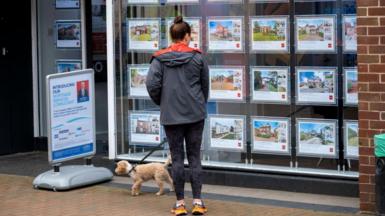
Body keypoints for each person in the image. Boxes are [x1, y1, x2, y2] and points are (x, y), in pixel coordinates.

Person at [146, 16, 209, 216]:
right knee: (195, 157)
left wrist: (163, 102)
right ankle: (198, 202)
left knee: (178, 158)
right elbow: (204, 85)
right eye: (190, 35)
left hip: (171, 116)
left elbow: (151, 85)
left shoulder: (159, 58)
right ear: (187, 36)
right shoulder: (198, 57)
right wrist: (199, 103)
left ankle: (180, 204)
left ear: (172, 36)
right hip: (195, 115)